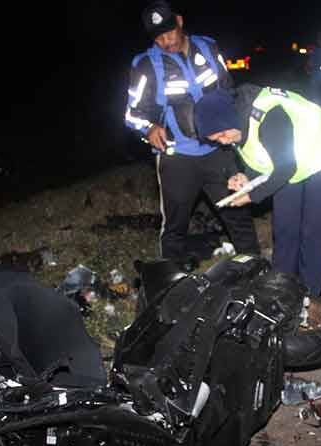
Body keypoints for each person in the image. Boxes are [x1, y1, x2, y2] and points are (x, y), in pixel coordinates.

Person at [124, 1, 259, 263]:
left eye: (169, 32)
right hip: (177, 159)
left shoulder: (208, 48)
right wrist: (149, 127)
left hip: (218, 151)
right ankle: (170, 283)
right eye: (159, 37)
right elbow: (131, 113)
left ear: (180, 22)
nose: (166, 40)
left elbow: (229, 90)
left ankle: (254, 268)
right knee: (174, 226)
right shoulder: (145, 66)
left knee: (237, 213)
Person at [193, 84, 321, 297]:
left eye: (222, 134)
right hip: (294, 159)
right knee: (285, 228)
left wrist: (251, 195)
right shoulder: (236, 123)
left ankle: (308, 299)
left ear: (230, 119)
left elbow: (286, 167)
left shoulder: (269, 117)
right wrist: (246, 177)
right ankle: (278, 292)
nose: (223, 141)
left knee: (312, 231)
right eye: (216, 140)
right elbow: (263, 155)